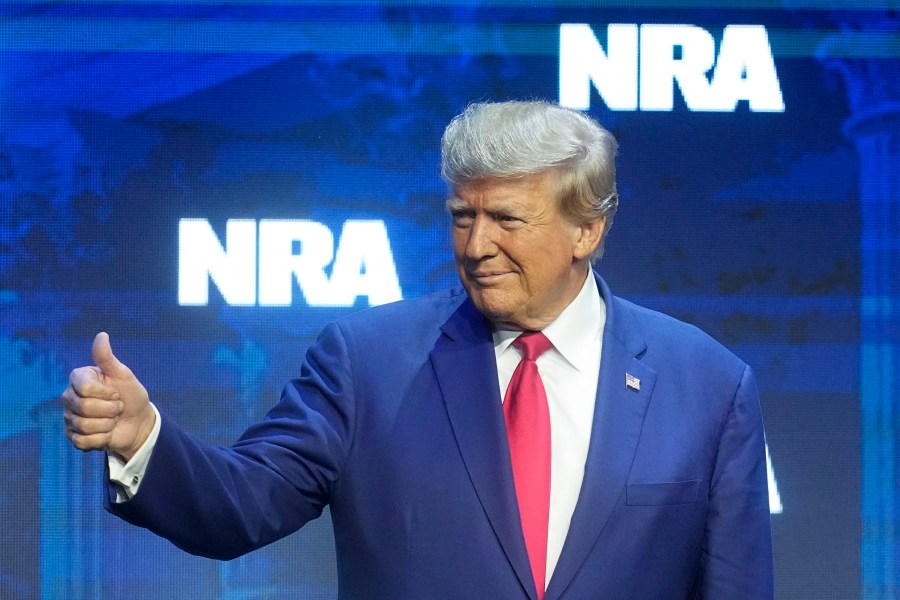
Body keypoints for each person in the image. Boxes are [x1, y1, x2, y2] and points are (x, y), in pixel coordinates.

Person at [62, 100, 774, 599]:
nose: (476, 245)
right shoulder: (367, 361)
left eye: (506, 219)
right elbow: (240, 506)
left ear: (586, 230)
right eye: (463, 217)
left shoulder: (707, 384)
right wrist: (142, 439)